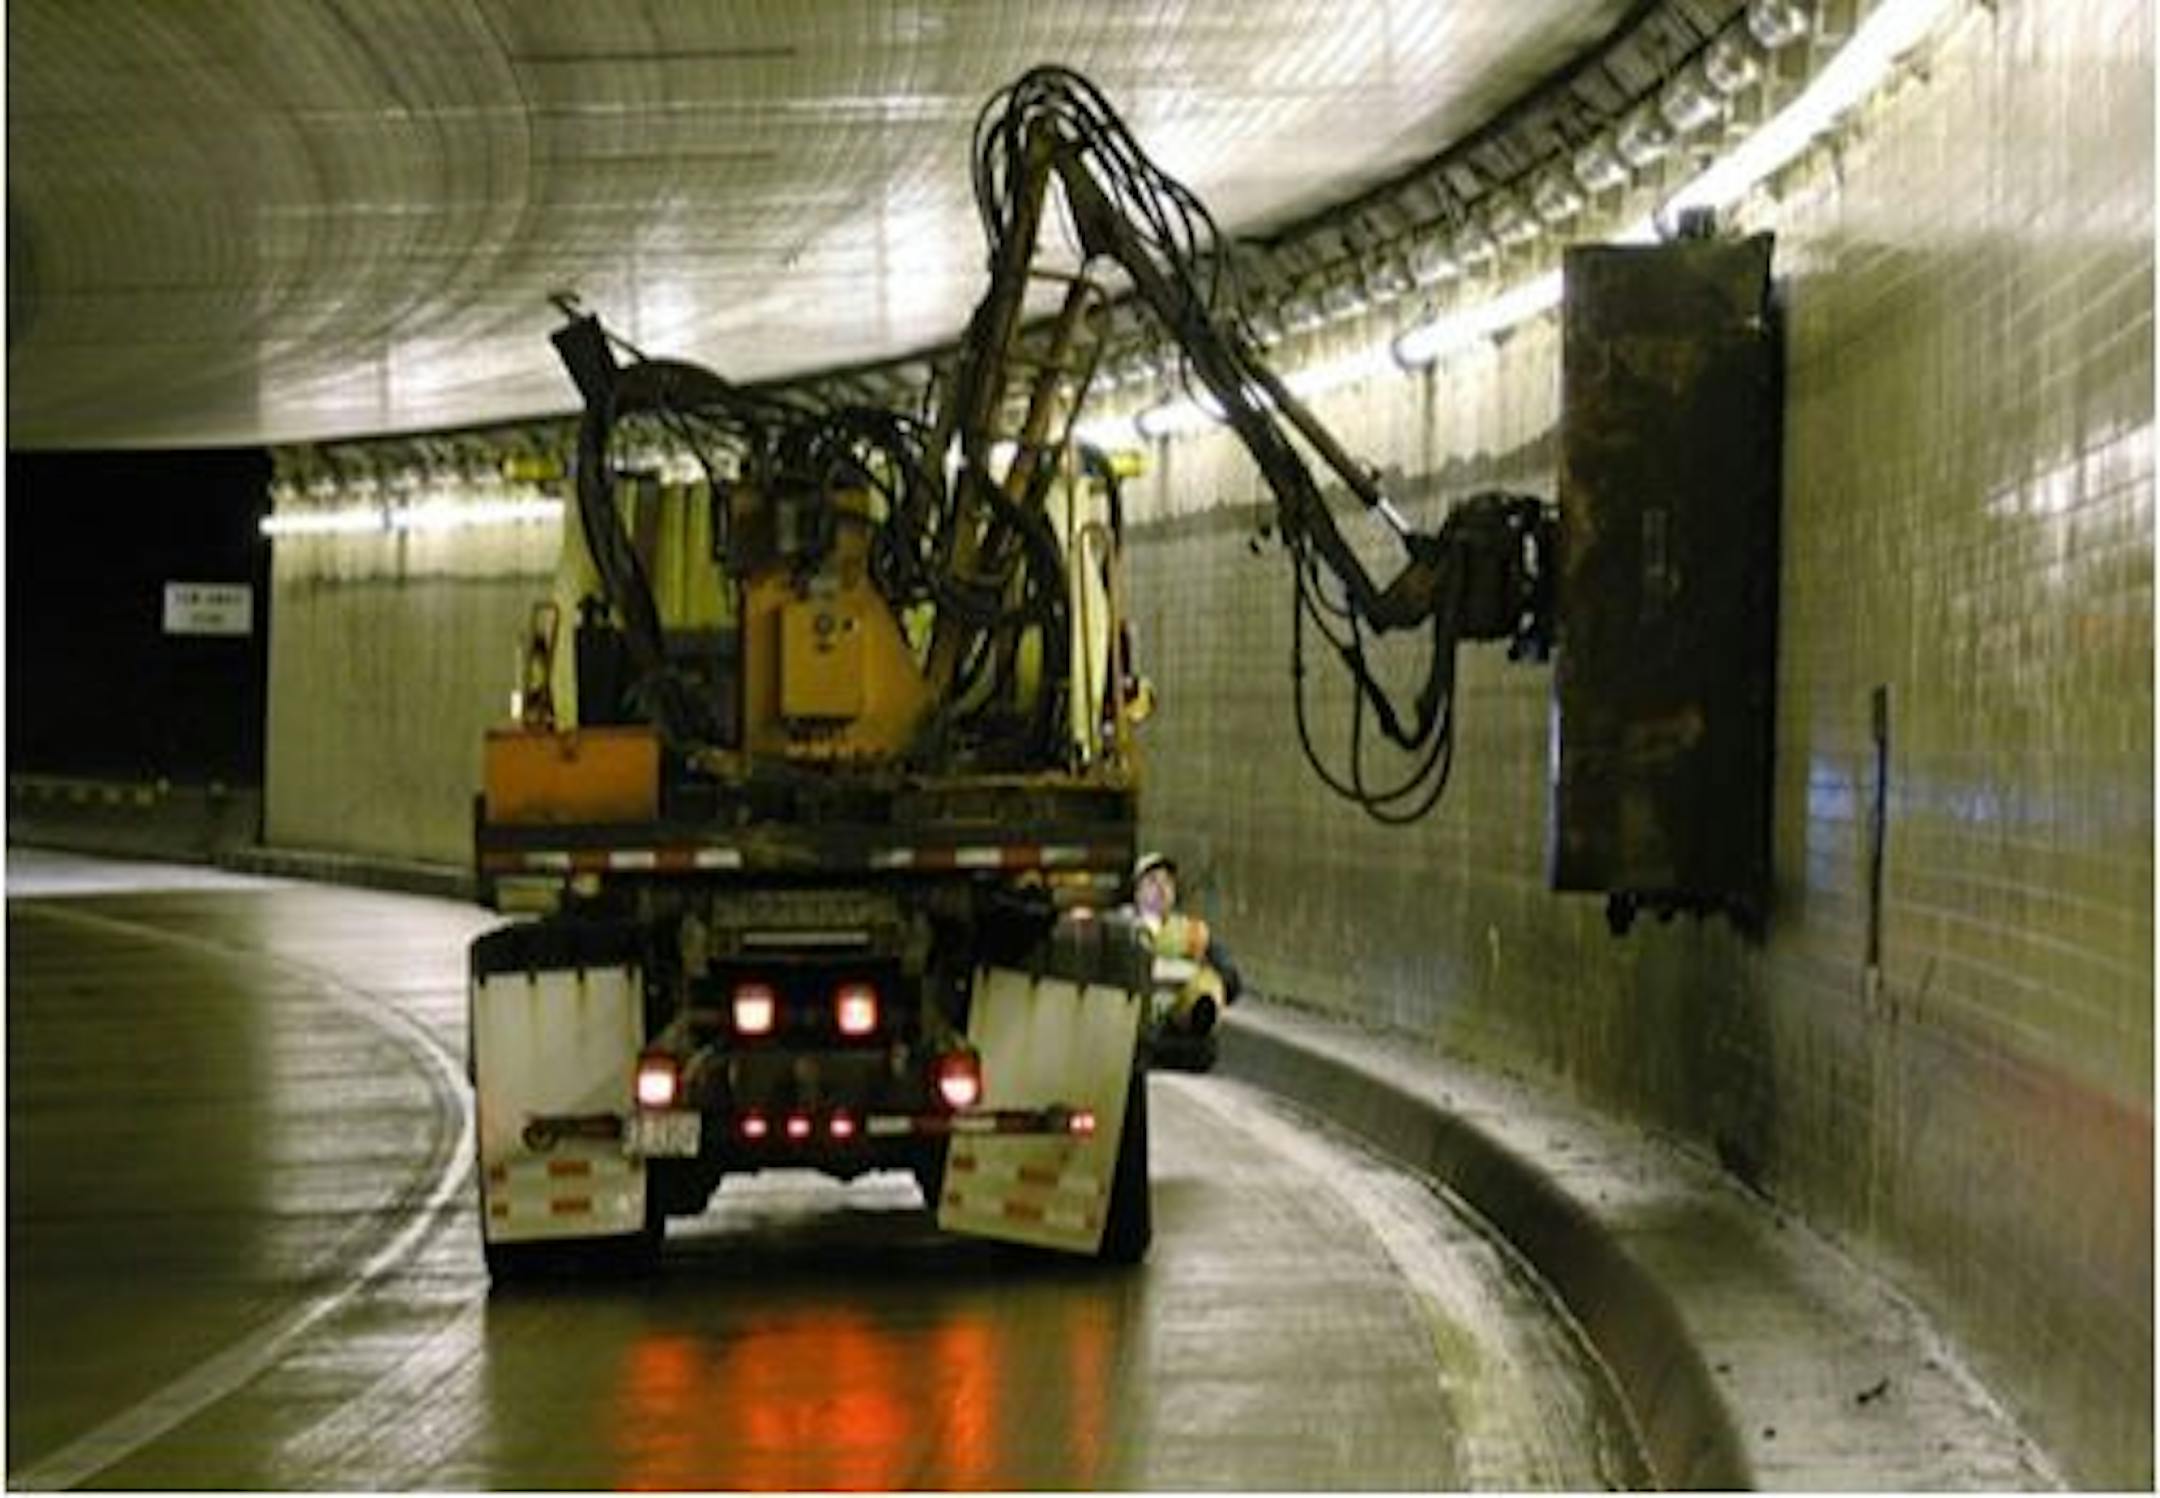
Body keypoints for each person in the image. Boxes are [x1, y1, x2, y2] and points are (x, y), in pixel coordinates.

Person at [1129, 851, 1244, 1006]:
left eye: (1168, 882)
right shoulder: (1121, 927)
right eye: (1152, 881)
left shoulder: (1193, 932)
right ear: (1137, 892)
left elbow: (1230, 977)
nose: (1161, 889)